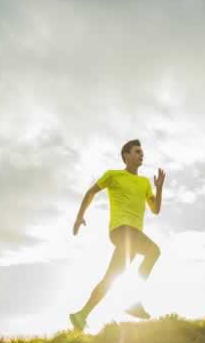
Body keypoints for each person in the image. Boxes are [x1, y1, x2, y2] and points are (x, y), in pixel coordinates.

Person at [69, 139, 165, 332]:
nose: (141, 154)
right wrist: (79, 217)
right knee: (154, 251)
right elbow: (90, 192)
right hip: (121, 230)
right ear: (126, 156)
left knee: (111, 278)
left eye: (141, 152)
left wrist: (159, 188)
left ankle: (81, 315)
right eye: (137, 152)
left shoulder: (144, 182)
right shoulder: (113, 175)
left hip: (133, 235)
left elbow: (155, 209)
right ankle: (133, 302)